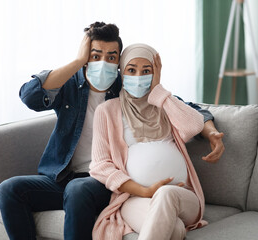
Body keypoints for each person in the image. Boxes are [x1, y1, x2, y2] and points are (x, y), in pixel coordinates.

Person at [0, 21, 223, 240]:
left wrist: (211, 132)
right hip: (63, 175)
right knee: (9, 189)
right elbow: (30, 96)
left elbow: (191, 110)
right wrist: (77, 61)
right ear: (86, 58)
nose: (103, 63)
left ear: (119, 63)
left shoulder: (127, 86)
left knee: (78, 190)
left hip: (104, 181)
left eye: (111, 57)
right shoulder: (70, 85)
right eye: (96, 56)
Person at [89, 43, 213, 240]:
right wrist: (143, 191)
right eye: (131, 70)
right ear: (122, 72)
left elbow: (193, 126)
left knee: (166, 194)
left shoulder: (165, 106)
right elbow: (100, 165)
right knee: (175, 229)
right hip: (136, 199)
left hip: (183, 196)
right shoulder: (107, 111)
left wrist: (158, 91)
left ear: (155, 73)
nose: (138, 77)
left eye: (146, 71)